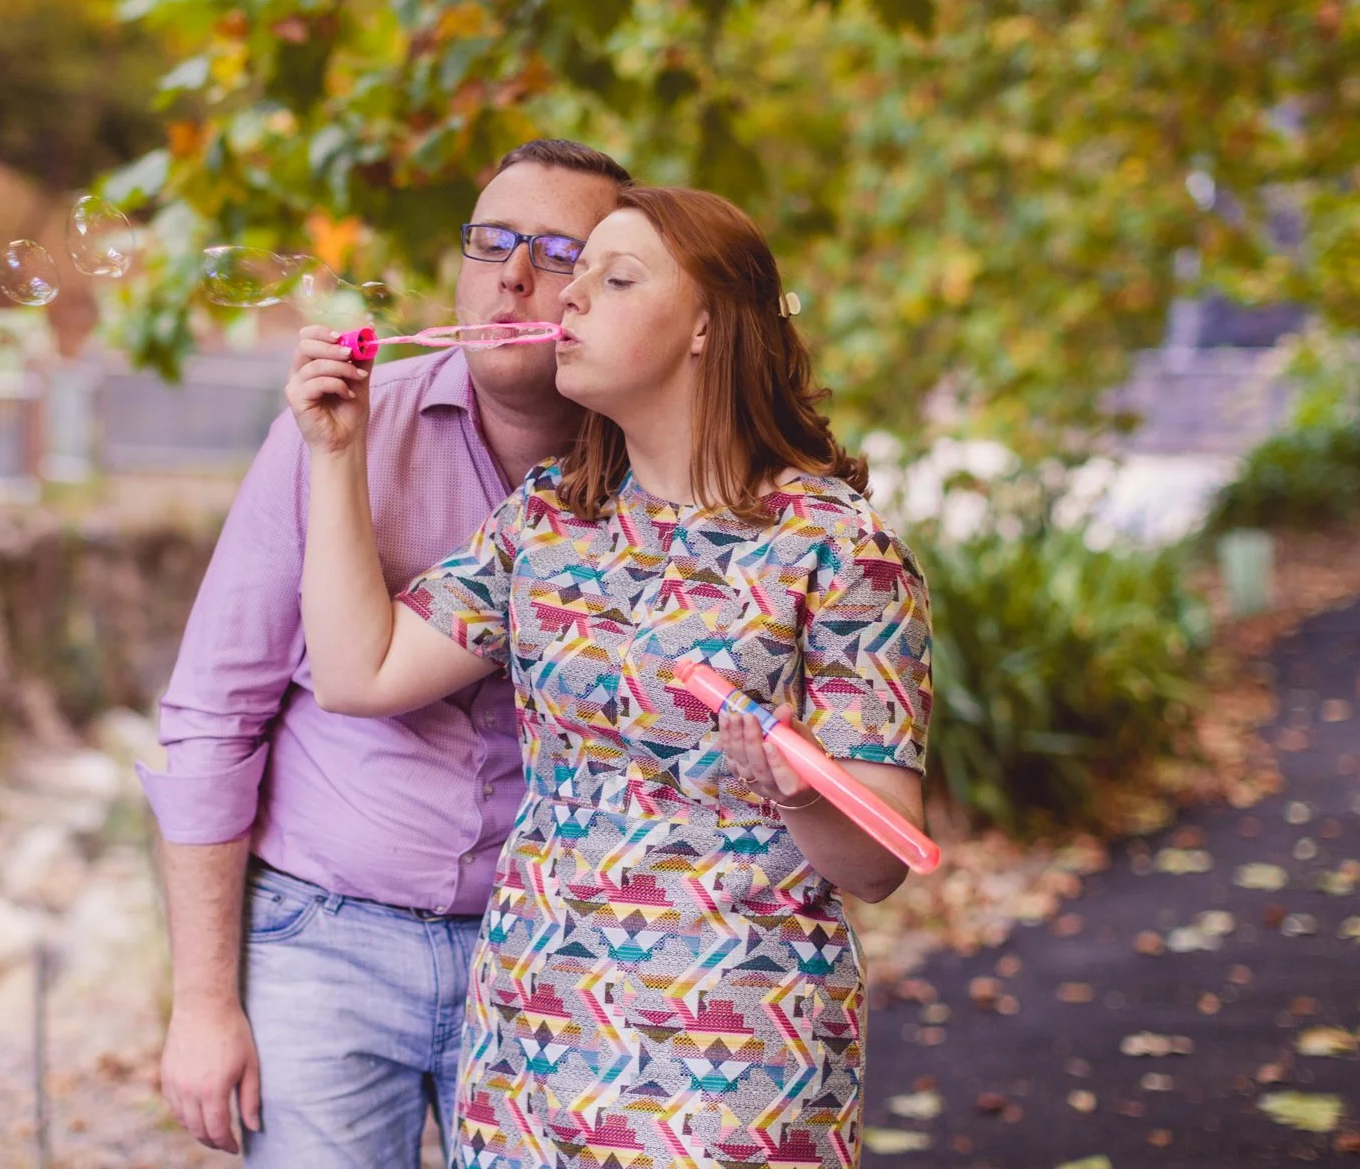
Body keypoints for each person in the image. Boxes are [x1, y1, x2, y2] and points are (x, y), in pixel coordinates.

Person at [287, 185, 933, 1167]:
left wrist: (798, 790)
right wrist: (334, 454)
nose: (567, 299)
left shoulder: (840, 552)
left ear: (707, 327)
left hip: (736, 1059)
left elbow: (880, 861)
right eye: (573, 274)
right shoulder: (550, 520)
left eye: (613, 277)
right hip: (530, 1044)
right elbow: (356, 670)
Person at [140, 140, 634, 1165]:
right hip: (322, 946)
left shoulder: (655, 474)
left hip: (551, 955)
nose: (511, 275)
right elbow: (211, 715)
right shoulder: (338, 432)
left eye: (557, 250)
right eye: (490, 240)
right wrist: (200, 1005)